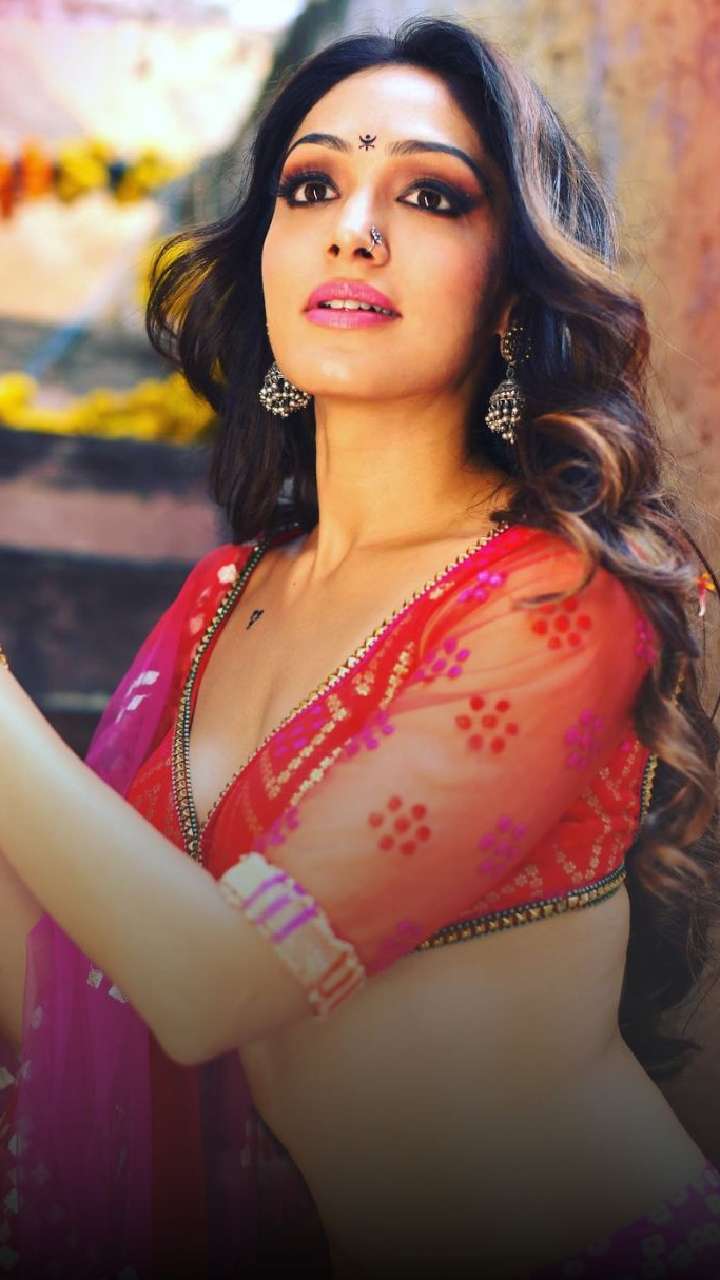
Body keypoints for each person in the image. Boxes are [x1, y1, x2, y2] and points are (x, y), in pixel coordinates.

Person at [1, 15, 719, 1280]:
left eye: (432, 196)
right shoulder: (226, 598)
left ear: (514, 292)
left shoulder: (559, 600)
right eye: (311, 185)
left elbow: (215, 983)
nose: (354, 228)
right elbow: (86, 980)